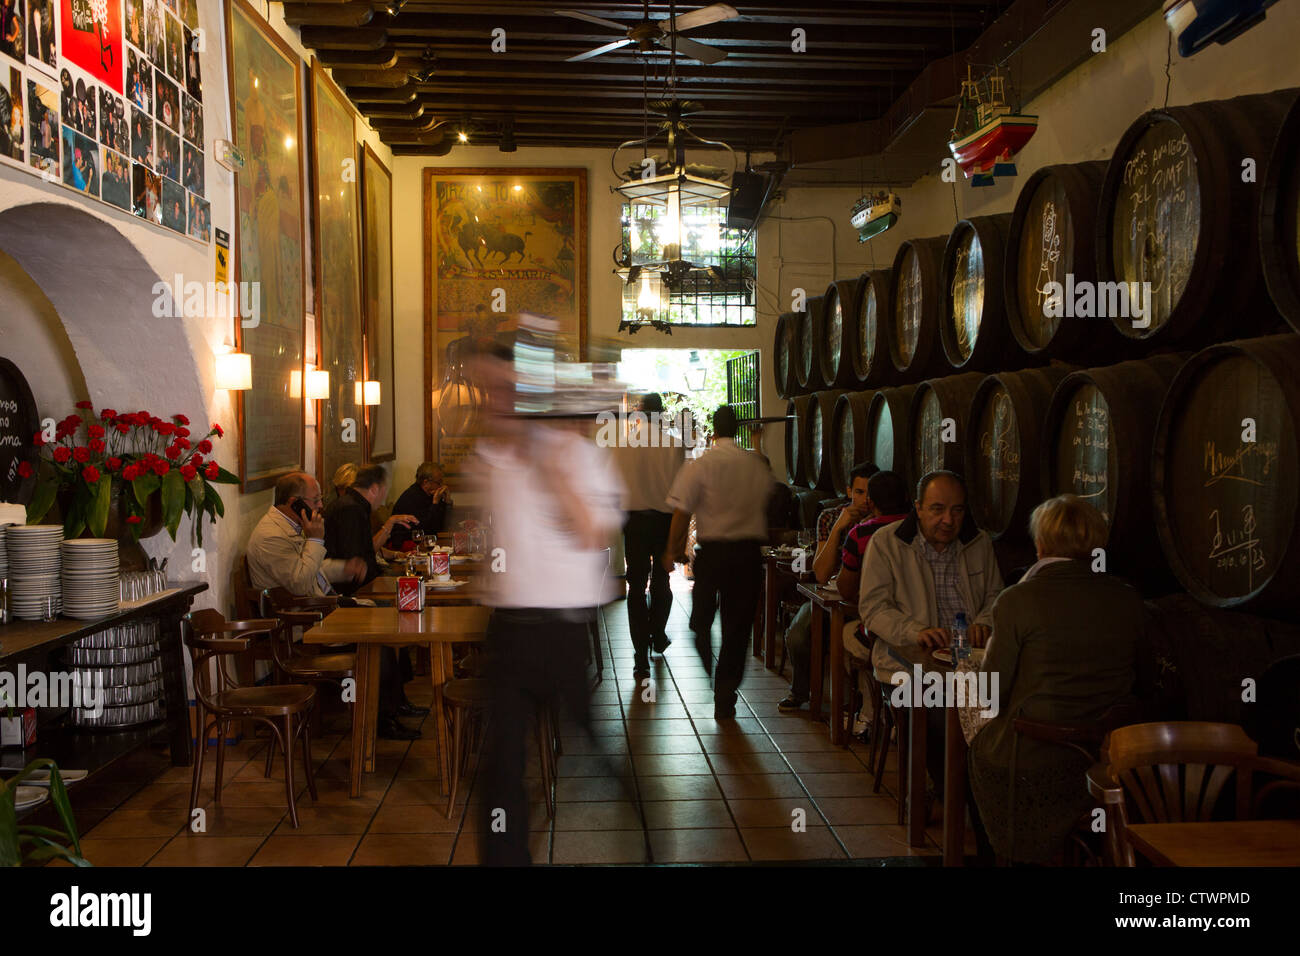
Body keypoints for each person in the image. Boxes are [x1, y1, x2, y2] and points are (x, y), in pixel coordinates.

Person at [473, 340, 625, 865]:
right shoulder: (489, 458)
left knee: (594, 751)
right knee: (501, 765)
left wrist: (548, 469)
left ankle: (642, 827)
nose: (493, 400)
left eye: (504, 389)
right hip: (509, 630)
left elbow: (589, 533)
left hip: (562, 632)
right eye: (487, 389)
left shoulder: (579, 457)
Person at [967, 494, 1142, 864]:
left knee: (973, 741)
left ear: (1041, 543)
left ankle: (995, 853)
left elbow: (991, 693)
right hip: (1104, 756)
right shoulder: (1128, 599)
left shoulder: (1018, 599)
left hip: (1031, 755)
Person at [856, 470, 1003, 798]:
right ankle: (957, 791)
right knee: (935, 713)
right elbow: (874, 609)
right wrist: (916, 631)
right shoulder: (888, 543)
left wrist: (984, 622)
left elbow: (996, 598)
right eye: (937, 509)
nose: (948, 520)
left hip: (970, 664)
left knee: (1000, 710)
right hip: (903, 665)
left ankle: (978, 793)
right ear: (918, 508)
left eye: (957, 510)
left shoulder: (978, 543)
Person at [663, 405, 771, 719]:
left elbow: (682, 511)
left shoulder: (702, 465)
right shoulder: (755, 466)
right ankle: (725, 691)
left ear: (713, 429)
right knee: (737, 628)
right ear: (736, 430)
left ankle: (713, 671)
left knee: (700, 620)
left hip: (713, 554)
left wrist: (672, 551)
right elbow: (766, 501)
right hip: (747, 555)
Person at [323, 463, 425, 738]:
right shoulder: (350, 510)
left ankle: (397, 703)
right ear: (376, 489)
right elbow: (355, 563)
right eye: (385, 491)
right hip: (346, 598)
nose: (385, 497)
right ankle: (385, 717)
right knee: (391, 631)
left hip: (358, 591)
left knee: (400, 622)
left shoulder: (353, 506)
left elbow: (363, 554)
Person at [778, 461, 878, 712]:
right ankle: (800, 691)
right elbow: (821, 574)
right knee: (798, 634)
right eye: (859, 492)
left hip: (868, 601)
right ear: (848, 491)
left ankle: (857, 703)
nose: (865, 500)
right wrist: (838, 529)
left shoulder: (884, 522)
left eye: (870, 493)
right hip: (830, 598)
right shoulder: (831, 516)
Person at [611, 393, 686, 680]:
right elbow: (681, 491)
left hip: (634, 520)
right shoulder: (675, 445)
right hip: (665, 520)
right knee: (662, 579)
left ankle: (640, 656)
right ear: (662, 413)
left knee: (636, 585)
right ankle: (657, 633)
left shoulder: (624, 444)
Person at [832, 470, 911, 735]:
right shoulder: (921, 530)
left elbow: (844, 589)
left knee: (848, 635)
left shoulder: (862, 534)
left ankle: (871, 713)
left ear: (871, 502)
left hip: (885, 632)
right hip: (922, 626)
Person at [245, 472, 366, 599]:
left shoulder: (293, 524)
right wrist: (315, 540)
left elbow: (310, 569)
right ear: (294, 503)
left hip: (324, 603)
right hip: (305, 614)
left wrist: (344, 569)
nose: (320, 505)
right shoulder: (271, 537)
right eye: (315, 500)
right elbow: (300, 584)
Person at [388, 461, 453, 550]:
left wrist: (447, 503)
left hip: (425, 539)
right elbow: (424, 527)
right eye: (439, 482)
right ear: (426, 483)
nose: (441, 486)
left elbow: (443, 525)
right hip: (405, 543)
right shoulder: (412, 496)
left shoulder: (430, 494)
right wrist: (435, 503)